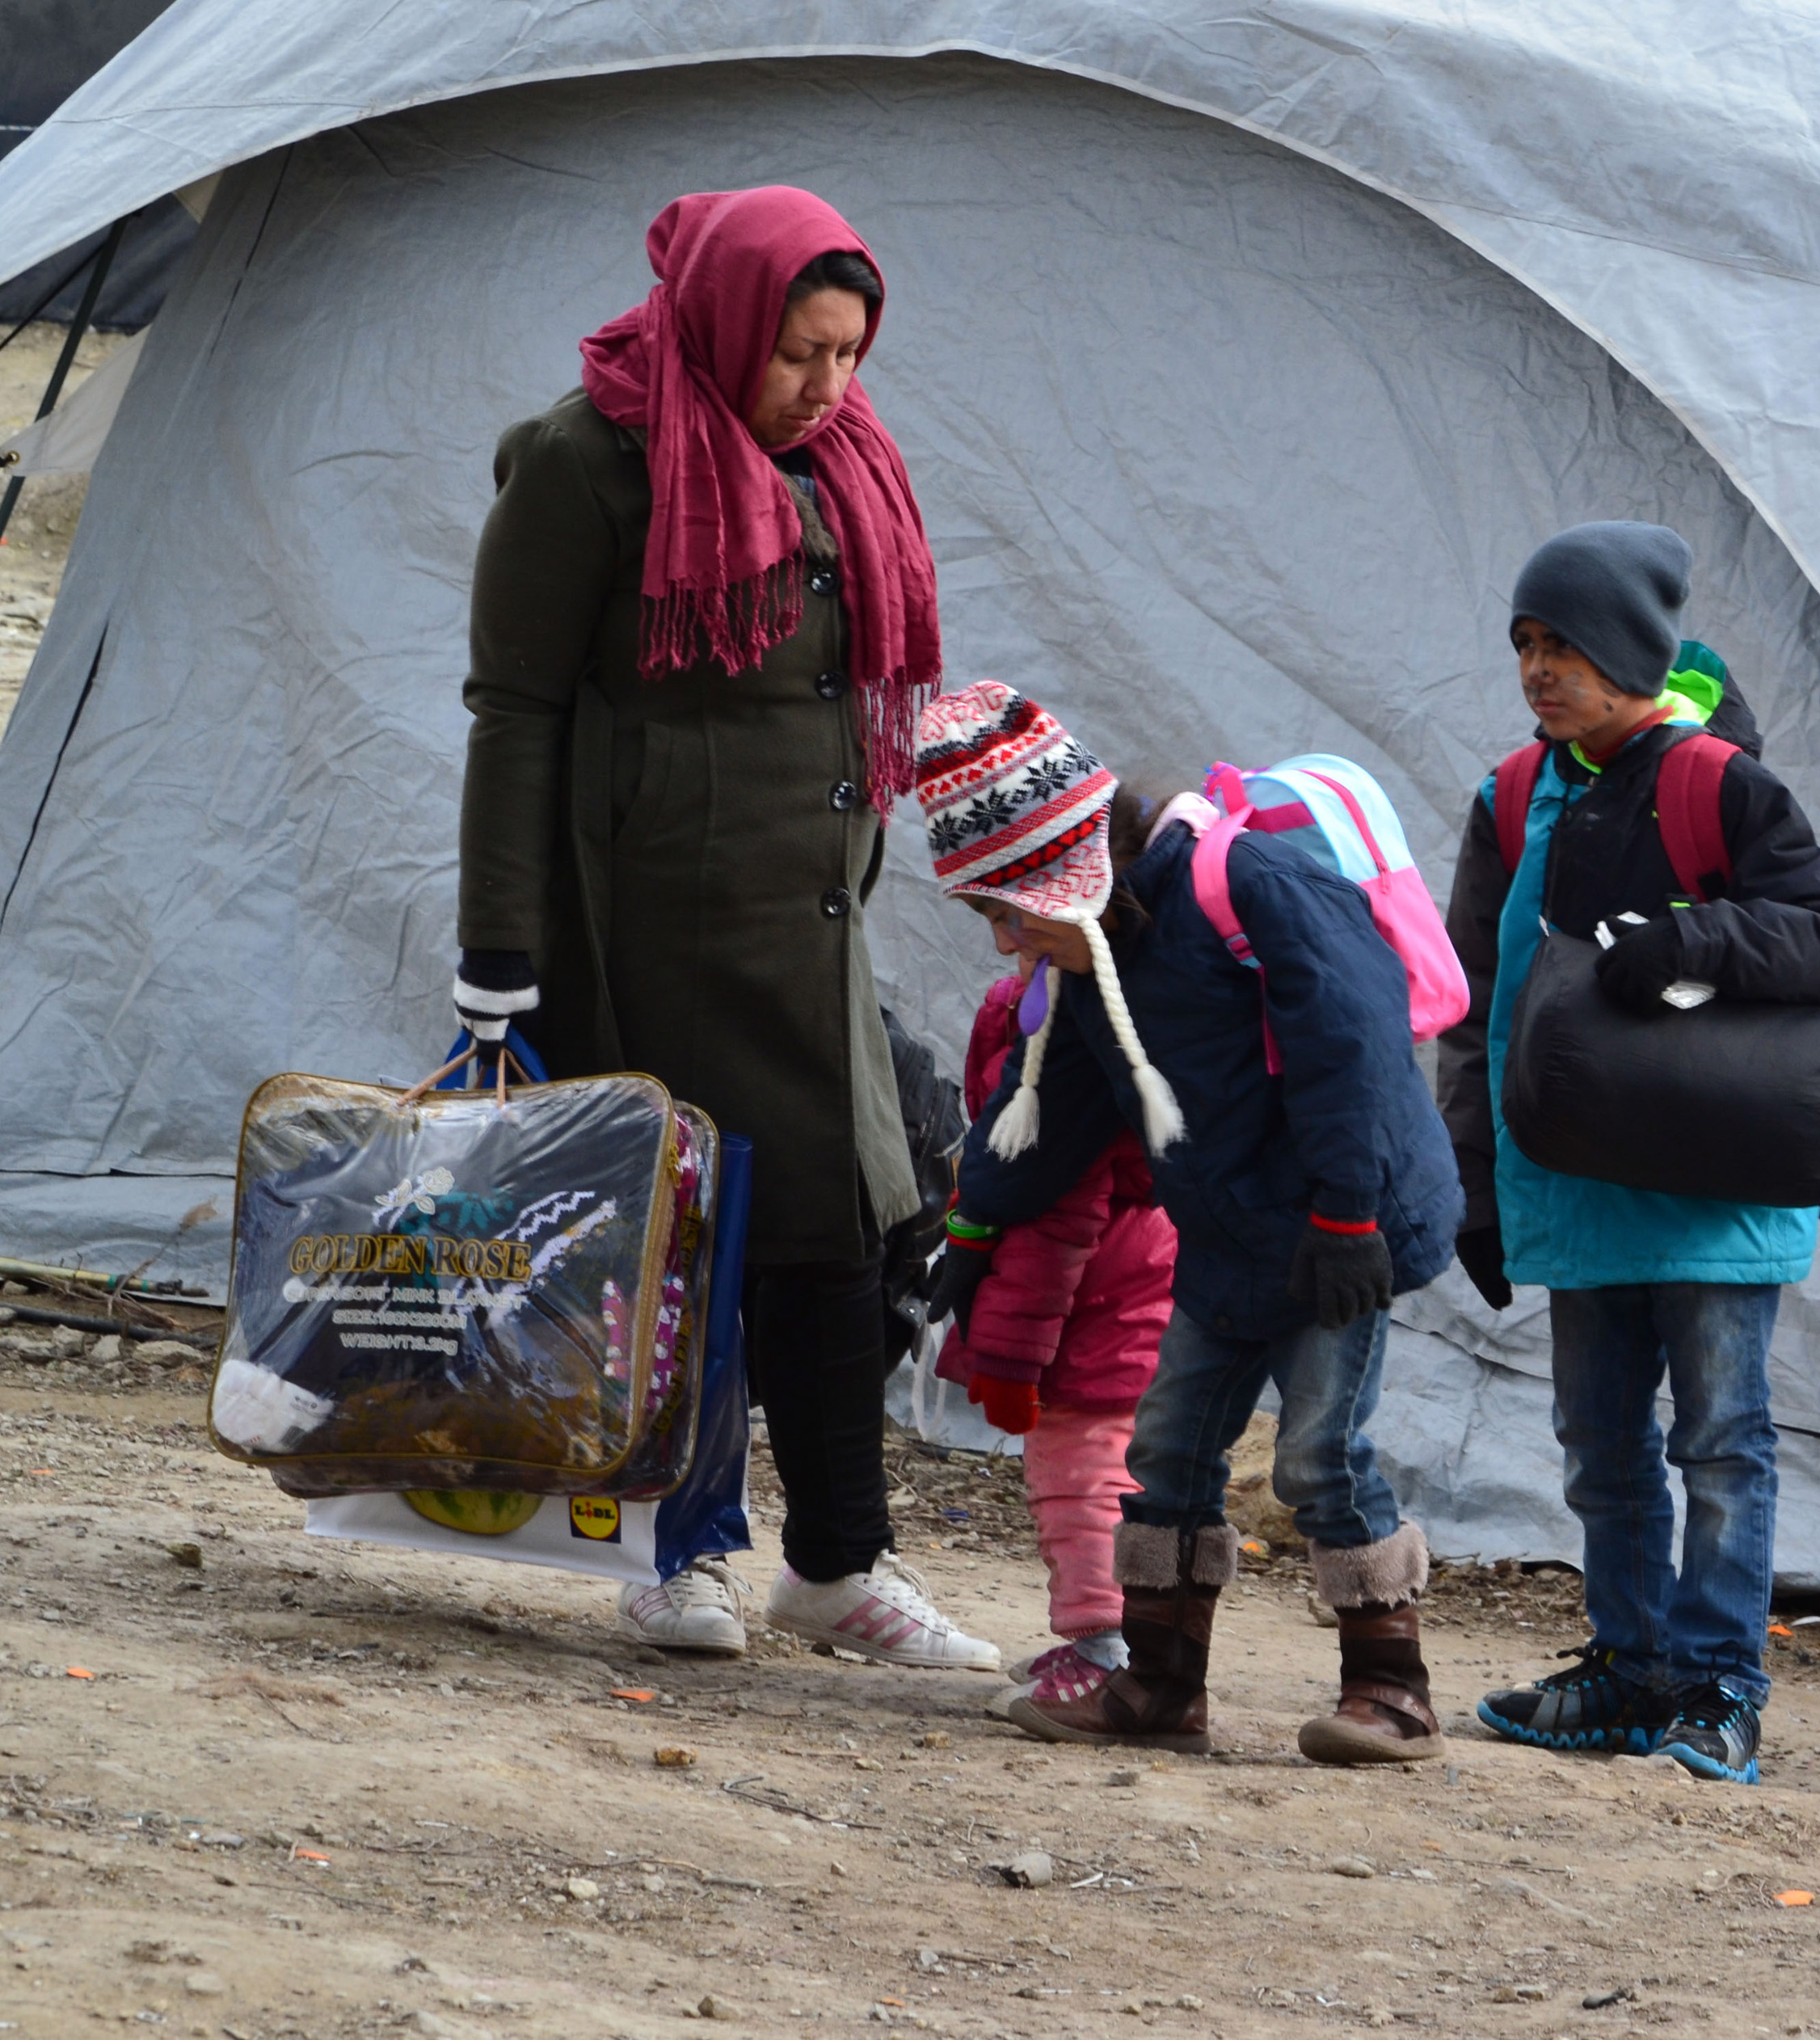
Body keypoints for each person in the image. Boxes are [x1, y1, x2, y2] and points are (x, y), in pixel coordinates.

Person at [453, 186, 993, 1668]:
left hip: (808, 927)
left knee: (834, 1238)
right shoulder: (585, 460)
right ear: (726, 319)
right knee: (676, 1246)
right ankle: (672, 1552)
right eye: (799, 352)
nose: (826, 387)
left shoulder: (836, 465)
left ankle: (837, 1563)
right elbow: (514, 710)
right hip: (645, 927)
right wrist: (497, 954)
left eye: (849, 355)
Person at [919, 683, 1464, 1764]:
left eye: (1003, 910)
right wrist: (970, 1229)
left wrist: (1347, 1212)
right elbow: (1053, 1115)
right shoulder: (1091, 967)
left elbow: (1351, 1043)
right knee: (1167, 1448)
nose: (1000, 943)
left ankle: (1391, 1689)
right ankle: (1161, 1689)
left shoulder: (1248, 882)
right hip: (1226, 1236)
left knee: (1317, 1455)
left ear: (1059, 873)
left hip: (1332, 1231)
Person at [1440, 523, 1820, 1785]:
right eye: (1525, 641)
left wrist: (1687, 942)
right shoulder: (1513, 796)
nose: (1539, 666)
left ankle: (1715, 1683)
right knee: (1600, 1442)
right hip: (1575, 1185)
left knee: (1720, 1441)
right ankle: (1628, 1670)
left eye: (1565, 642)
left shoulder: (1717, 783)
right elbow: (1474, 997)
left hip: (1706, 1196)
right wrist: (1472, 1173)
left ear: (1631, 645)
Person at [910, 710, 1182, 1715]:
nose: (1002, 940)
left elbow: (1057, 1214)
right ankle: (1109, 1637)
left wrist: (1012, 1363)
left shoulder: (1069, 1019)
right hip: (1113, 1295)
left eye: (1009, 911)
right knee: (1090, 1477)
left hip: (1096, 1308)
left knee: (1082, 1481)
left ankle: (1107, 1645)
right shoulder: (1039, 1002)